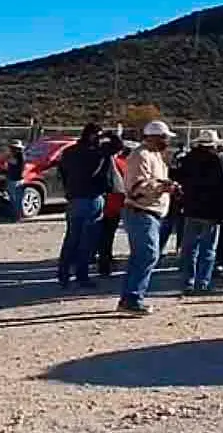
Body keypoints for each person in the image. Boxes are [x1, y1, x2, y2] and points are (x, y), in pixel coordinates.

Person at [119, 120, 178, 314]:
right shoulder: (141, 155)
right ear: (153, 137)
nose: (167, 141)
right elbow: (137, 187)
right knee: (147, 254)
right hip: (141, 211)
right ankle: (133, 297)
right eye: (164, 137)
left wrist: (166, 185)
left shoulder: (155, 155)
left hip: (150, 212)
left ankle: (130, 297)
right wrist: (162, 187)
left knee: (142, 255)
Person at [176, 130, 223, 294]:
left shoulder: (187, 159)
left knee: (189, 248)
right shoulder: (216, 161)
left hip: (191, 209)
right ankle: (202, 282)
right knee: (208, 249)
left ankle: (187, 282)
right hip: (210, 211)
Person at [56, 123, 107, 289]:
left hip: (74, 197)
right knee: (87, 240)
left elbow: (62, 173)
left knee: (71, 238)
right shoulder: (95, 153)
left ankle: (63, 274)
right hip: (91, 196)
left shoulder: (69, 152)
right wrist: (110, 136)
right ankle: (81, 275)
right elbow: (116, 146)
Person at [97, 134, 128, 276]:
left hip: (101, 201)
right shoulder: (119, 162)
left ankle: (99, 260)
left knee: (99, 235)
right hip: (114, 203)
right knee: (107, 236)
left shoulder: (95, 160)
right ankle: (105, 263)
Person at [6, 140, 26, 221]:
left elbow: (11, 162)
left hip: (15, 180)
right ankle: (17, 216)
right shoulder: (19, 156)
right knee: (16, 200)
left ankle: (16, 217)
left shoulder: (19, 156)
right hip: (16, 180)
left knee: (15, 200)